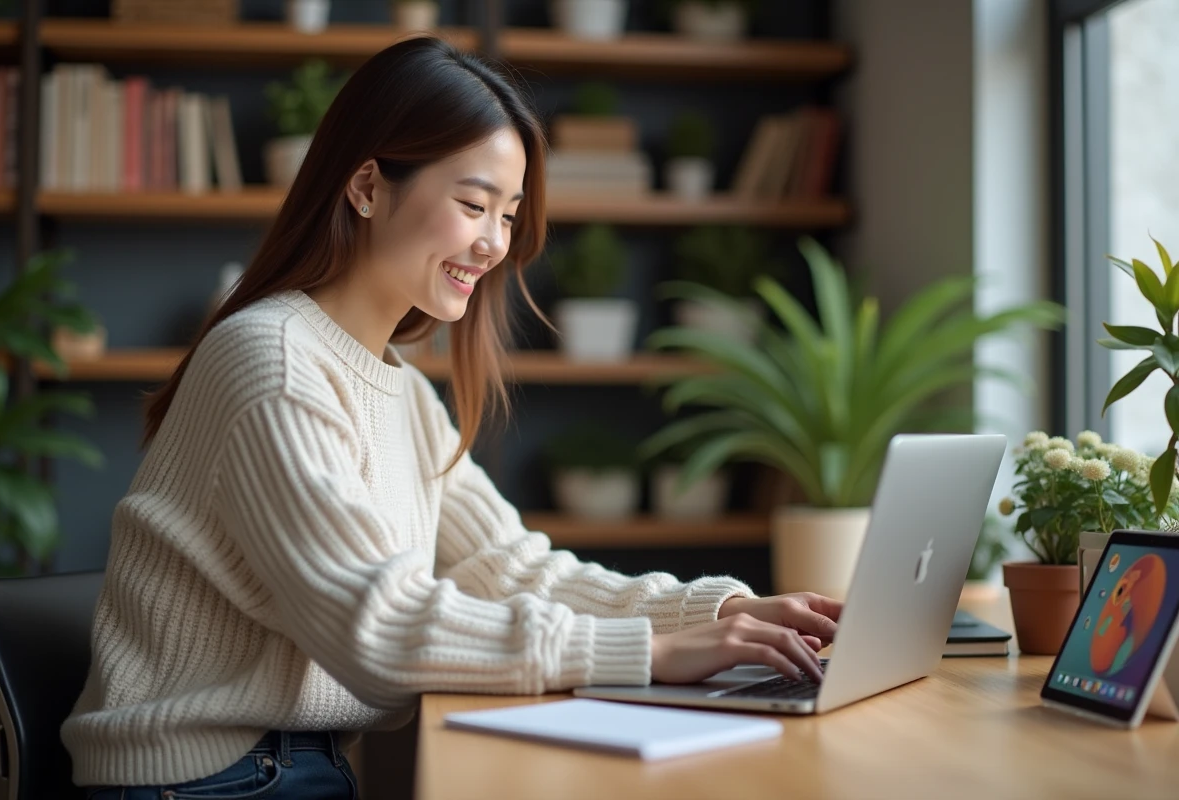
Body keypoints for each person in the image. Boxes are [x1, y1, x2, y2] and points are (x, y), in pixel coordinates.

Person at [61, 37, 842, 799]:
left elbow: (510, 570)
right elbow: (380, 628)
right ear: (366, 187)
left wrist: (718, 610)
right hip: (198, 778)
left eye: (508, 214)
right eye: (473, 205)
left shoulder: (398, 387)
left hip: (290, 766)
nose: (495, 243)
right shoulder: (271, 362)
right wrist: (650, 652)